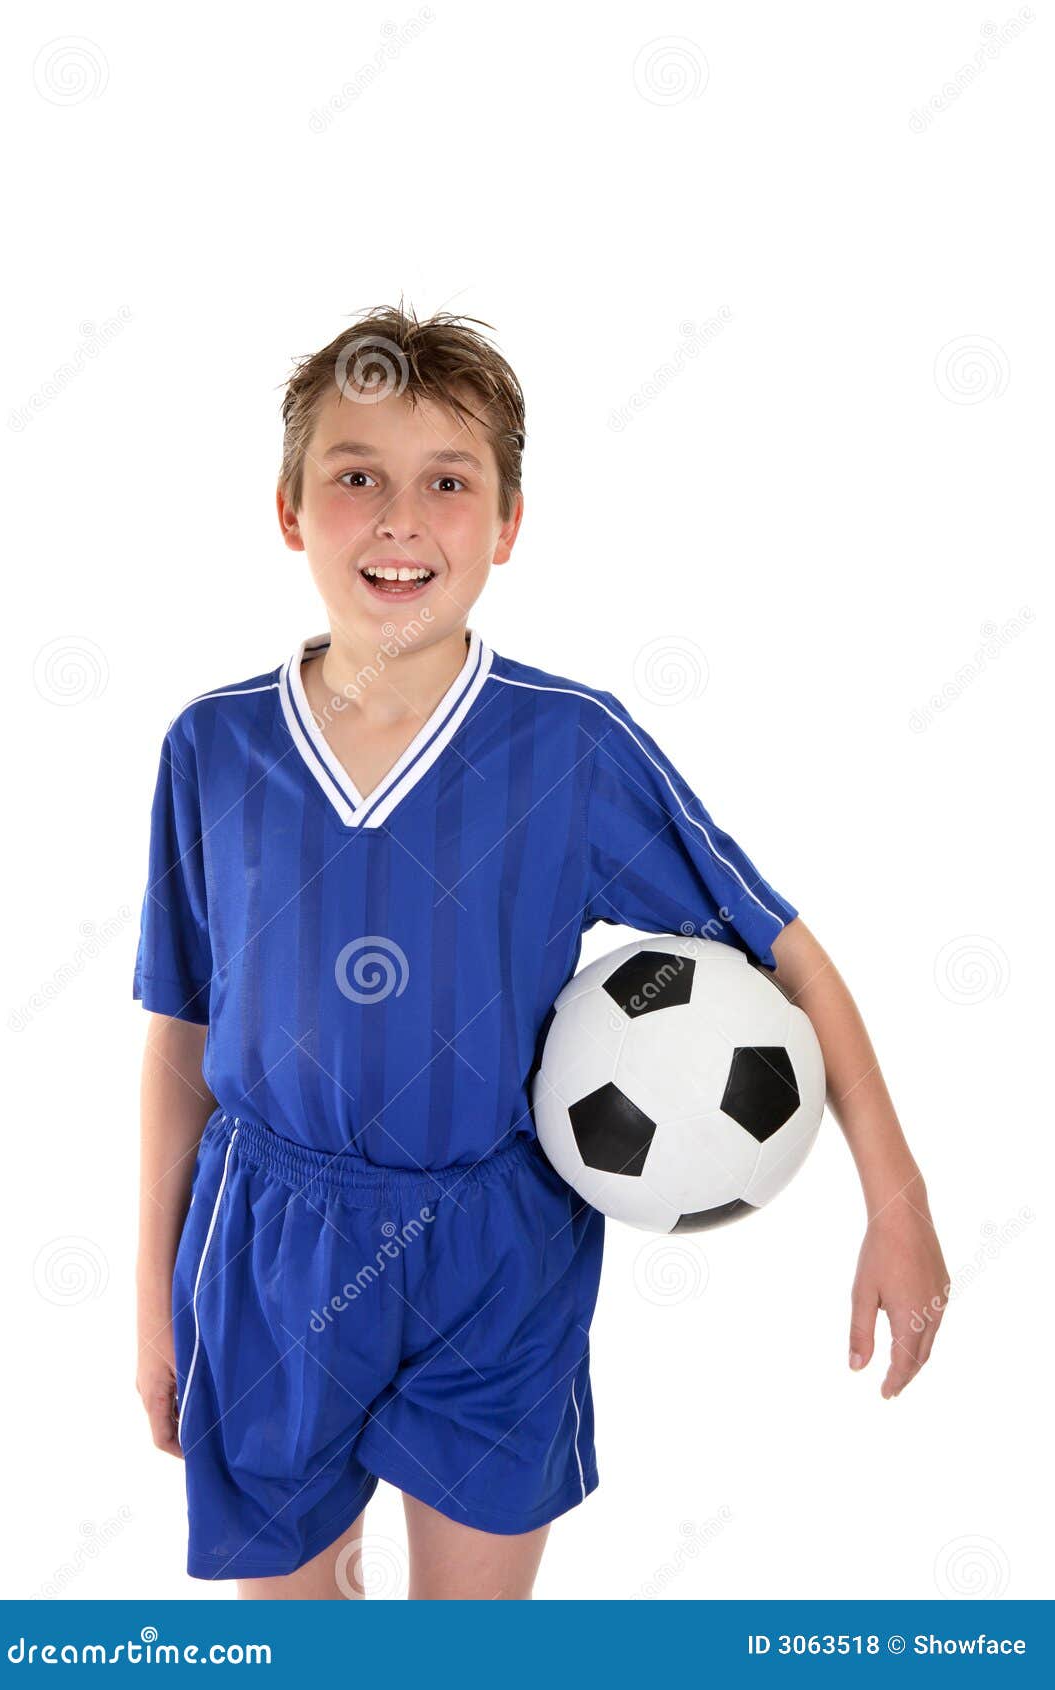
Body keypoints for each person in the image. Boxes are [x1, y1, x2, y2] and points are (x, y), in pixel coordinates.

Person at [133, 304, 950, 1600]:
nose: (401, 518)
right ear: (290, 510)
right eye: (357, 476)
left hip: (499, 1247)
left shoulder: (569, 746)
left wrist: (895, 1201)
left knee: (474, 1649)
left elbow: (784, 945)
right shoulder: (212, 748)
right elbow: (180, 1030)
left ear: (507, 523)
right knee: (298, 1647)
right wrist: (152, 1292)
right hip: (271, 1252)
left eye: (447, 482)